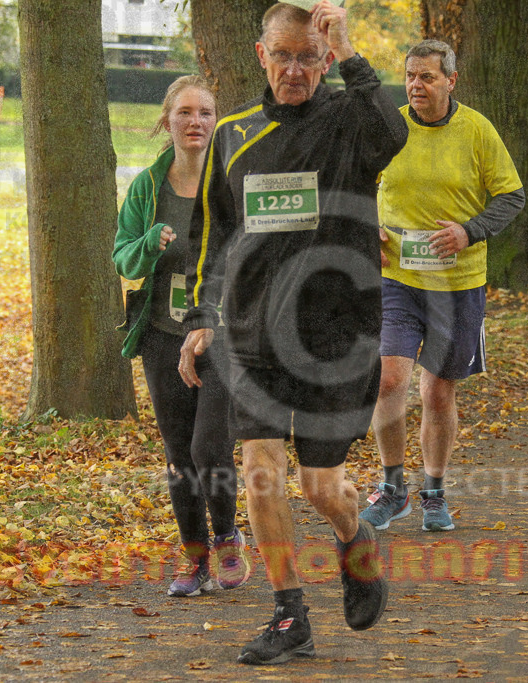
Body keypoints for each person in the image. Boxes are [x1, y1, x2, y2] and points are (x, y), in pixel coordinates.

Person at [177, 0, 408, 666]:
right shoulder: (232, 133)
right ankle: (289, 616)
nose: (295, 70)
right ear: (261, 55)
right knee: (257, 474)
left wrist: (352, 50)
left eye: (310, 57)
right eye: (283, 55)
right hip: (254, 340)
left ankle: (352, 531)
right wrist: (200, 317)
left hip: (338, 339)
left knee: (317, 484)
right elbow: (212, 235)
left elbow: (392, 134)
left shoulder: (348, 120)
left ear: (326, 58)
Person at [361, 39, 525, 532]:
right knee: (389, 380)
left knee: (437, 392)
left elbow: (510, 196)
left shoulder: (477, 130)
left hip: (457, 284)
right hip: (397, 278)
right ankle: (392, 489)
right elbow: (353, 181)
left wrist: (467, 231)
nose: (416, 85)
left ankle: (434, 489)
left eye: (428, 77)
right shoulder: (389, 127)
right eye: (411, 76)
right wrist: (368, 224)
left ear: (451, 80)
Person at [113, 75, 250, 598]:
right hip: (164, 335)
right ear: (167, 121)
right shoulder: (148, 187)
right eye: (185, 113)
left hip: (221, 334)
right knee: (178, 453)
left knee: (210, 446)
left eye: (205, 113)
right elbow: (122, 256)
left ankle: (227, 538)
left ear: (217, 122)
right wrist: (149, 243)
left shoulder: (233, 180)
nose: (196, 122)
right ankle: (193, 560)